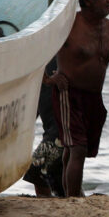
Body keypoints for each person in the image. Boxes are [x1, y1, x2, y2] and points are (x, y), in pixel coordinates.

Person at [49, 0, 109, 197]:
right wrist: (48, 78)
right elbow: (39, 46)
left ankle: (70, 191)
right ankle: (74, 199)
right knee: (77, 147)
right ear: (88, 1)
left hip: (94, 97)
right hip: (69, 93)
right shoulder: (69, 23)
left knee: (78, 148)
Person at [22, 59, 65, 197]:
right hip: (54, 129)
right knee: (51, 176)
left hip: (61, 131)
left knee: (38, 170)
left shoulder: (62, 55)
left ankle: (51, 200)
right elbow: (37, 100)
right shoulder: (41, 60)